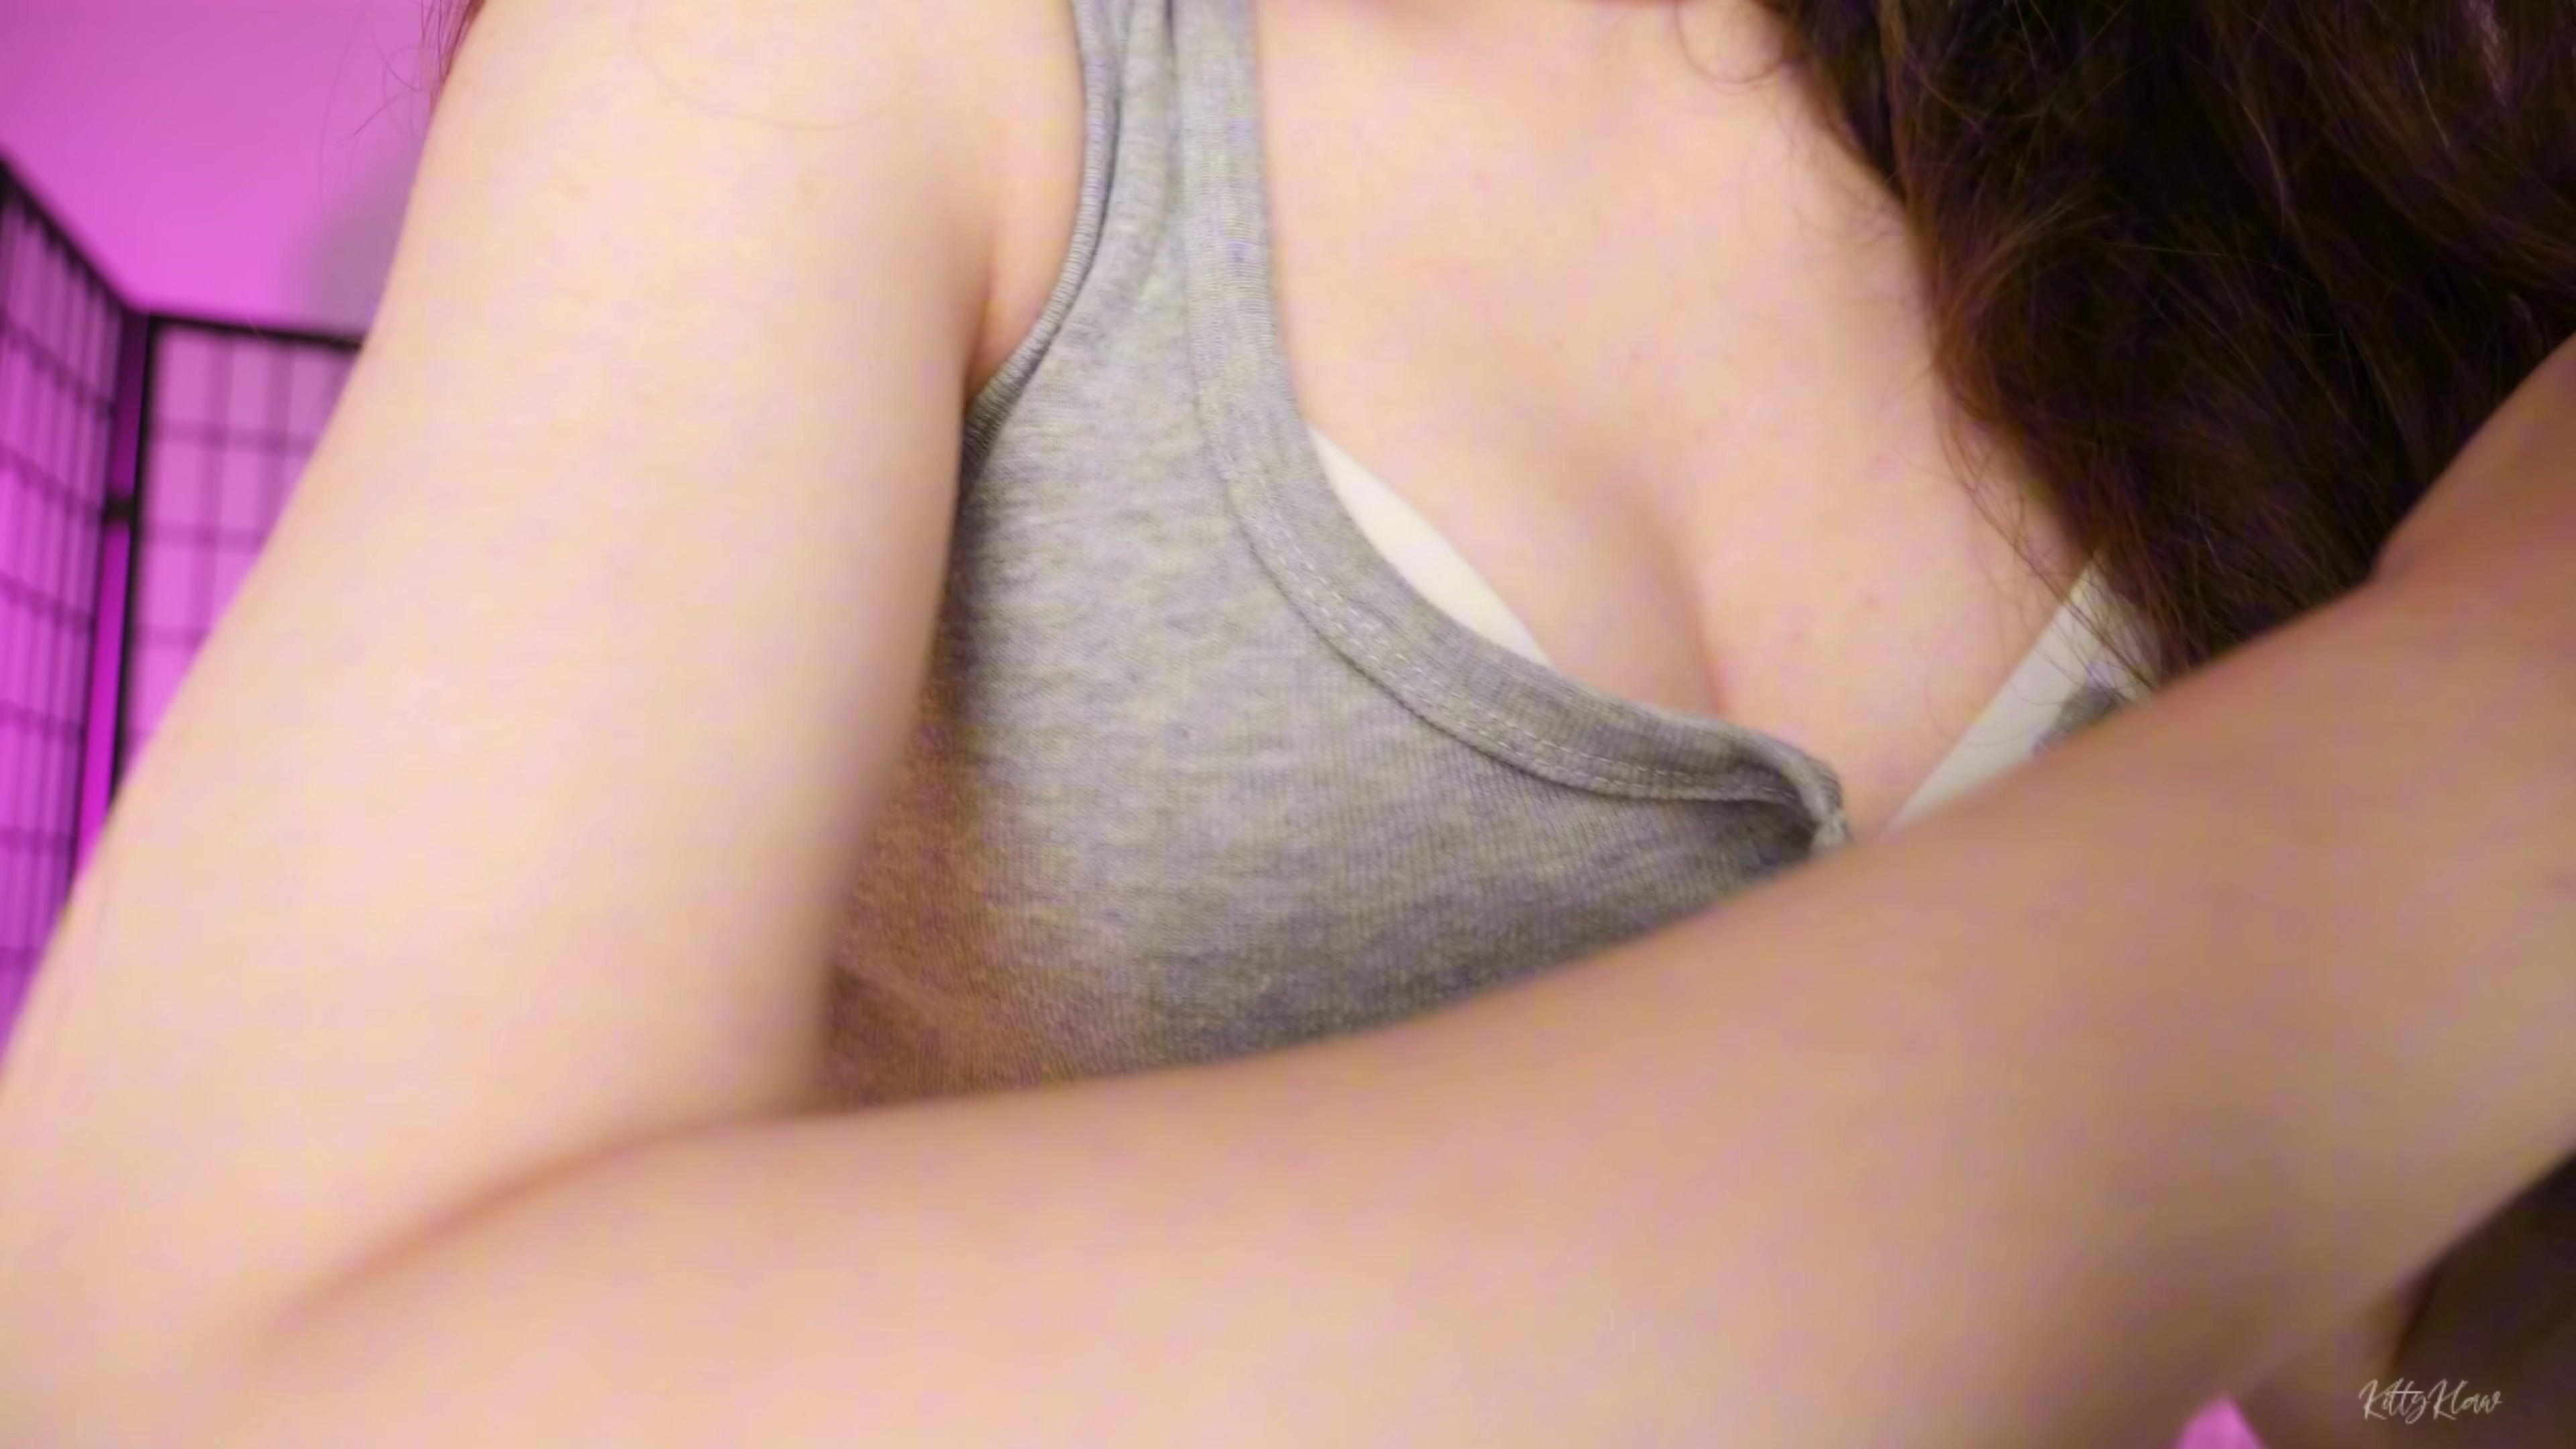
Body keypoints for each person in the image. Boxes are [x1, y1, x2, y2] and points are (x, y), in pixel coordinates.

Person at [0, 0, 2568, 1444]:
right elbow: (223, 1390)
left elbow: (2406, 1387)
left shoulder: (2245, 154)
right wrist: (2463, 751)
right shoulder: (850, 44)